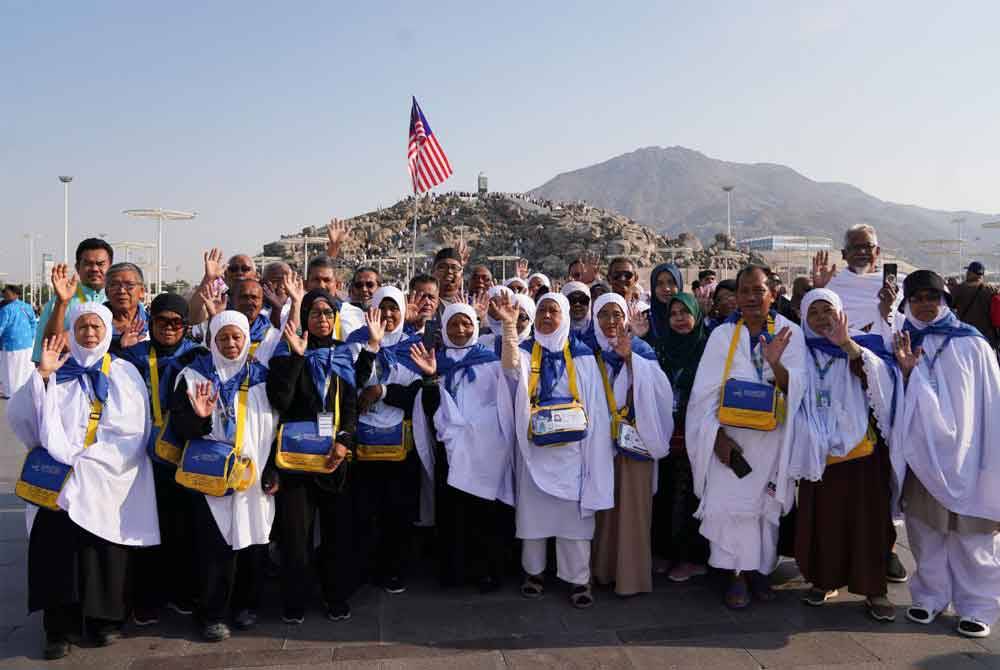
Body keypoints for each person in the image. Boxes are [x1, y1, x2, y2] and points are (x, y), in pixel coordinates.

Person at [9, 303, 158, 660]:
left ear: (107, 331)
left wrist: (91, 461)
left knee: (103, 550)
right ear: (72, 331)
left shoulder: (123, 373)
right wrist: (43, 379)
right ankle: (58, 627)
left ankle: (104, 620)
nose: (89, 334)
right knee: (56, 553)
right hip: (60, 478)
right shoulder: (56, 370)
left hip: (106, 474)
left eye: (96, 327)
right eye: (82, 327)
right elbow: (21, 418)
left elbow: (134, 428)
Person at [685, 265, 806, 609]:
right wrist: (715, 437)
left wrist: (776, 363)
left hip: (772, 441)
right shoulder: (723, 336)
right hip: (729, 440)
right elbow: (703, 395)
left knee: (763, 509)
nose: (752, 297)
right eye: (745, 291)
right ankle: (735, 574)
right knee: (727, 507)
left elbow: (799, 391)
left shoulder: (789, 333)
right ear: (736, 297)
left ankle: (760, 571)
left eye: (759, 290)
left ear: (773, 293)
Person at [891, 270, 1000, 638]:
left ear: (945, 302)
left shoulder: (974, 344)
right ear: (906, 303)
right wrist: (906, 374)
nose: (924, 305)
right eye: (917, 298)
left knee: (973, 537)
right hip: (924, 458)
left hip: (970, 458)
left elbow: (992, 403)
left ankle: (978, 606)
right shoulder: (902, 340)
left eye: (932, 297)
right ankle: (930, 597)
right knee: (927, 532)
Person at [790, 289, 901, 622]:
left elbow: (880, 379)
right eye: (815, 313)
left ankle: (874, 589)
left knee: (868, 520)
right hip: (818, 452)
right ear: (804, 318)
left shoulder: (861, 345)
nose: (823, 318)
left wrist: (847, 346)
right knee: (823, 518)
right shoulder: (797, 351)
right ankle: (824, 579)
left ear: (841, 314)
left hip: (860, 451)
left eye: (829, 311)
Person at [265, 290, 372, 625]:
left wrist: (344, 441)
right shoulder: (286, 353)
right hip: (296, 461)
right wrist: (297, 358)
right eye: (315, 312)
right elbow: (280, 401)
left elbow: (352, 405)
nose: (322, 318)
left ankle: (334, 595)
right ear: (305, 316)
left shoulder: (342, 356)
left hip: (334, 458)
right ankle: (295, 600)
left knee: (337, 534)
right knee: (295, 535)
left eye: (328, 312)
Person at [170, 311, 277, 641]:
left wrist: (273, 467)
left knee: (252, 540)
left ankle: (247, 606)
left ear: (246, 339)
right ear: (212, 340)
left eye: (236, 337)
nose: (230, 344)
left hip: (253, 475)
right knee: (214, 548)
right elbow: (179, 429)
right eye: (223, 338)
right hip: (210, 477)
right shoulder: (192, 376)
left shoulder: (261, 375)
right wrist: (200, 419)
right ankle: (211, 614)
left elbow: (276, 425)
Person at [509, 293, 613, 609]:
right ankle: (534, 573)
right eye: (542, 310)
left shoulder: (582, 357)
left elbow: (595, 405)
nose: (547, 317)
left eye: (554, 311)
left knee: (573, 521)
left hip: (573, 453)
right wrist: (507, 327)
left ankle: (578, 578)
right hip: (535, 450)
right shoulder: (526, 353)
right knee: (534, 518)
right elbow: (510, 369)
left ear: (565, 316)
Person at [410, 302, 516, 592]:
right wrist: (431, 378)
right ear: (444, 328)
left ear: (475, 326)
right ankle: (453, 572)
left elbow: (506, 402)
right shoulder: (435, 361)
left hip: (486, 452)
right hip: (451, 451)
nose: (460, 330)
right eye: (454, 324)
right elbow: (429, 412)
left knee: (485, 513)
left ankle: (487, 571)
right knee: (452, 513)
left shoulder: (490, 362)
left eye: (466, 324)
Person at [118, 293, 206, 626]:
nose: (169, 328)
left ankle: (183, 592)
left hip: (184, 455)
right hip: (143, 458)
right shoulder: (134, 355)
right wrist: (117, 347)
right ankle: (147, 598)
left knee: (184, 529)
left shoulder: (197, 356)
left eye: (176, 323)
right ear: (151, 322)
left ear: (185, 326)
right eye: (161, 321)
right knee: (146, 529)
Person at [590, 293, 674, 596]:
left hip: (634, 446)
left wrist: (631, 359)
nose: (611, 322)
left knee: (633, 511)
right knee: (603, 511)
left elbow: (661, 396)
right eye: (604, 315)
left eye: (616, 314)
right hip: (600, 446)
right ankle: (602, 571)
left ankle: (631, 579)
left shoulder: (642, 350)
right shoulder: (588, 351)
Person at [352, 287, 424, 594]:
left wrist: (382, 391)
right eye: (384, 308)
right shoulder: (357, 343)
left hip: (401, 444)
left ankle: (394, 570)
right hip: (363, 442)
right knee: (364, 511)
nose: (389, 315)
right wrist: (372, 345)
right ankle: (366, 568)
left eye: (395, 308)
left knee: (398, 511)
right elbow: (351, 383)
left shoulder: (414, 347)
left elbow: (419, 397)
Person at [636, 292, 710, 582]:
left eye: (685, 312)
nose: (680, 318)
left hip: (698, 432)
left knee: (691, 496)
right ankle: (666, 552)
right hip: (666, 432)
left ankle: (691, 558)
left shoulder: (708, 348)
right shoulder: (661, 347)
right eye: (674, 313)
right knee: (666, 493)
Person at [33, 238, 114, 362]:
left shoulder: (118, 300)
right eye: (88, 263)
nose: (94, 269)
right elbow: (43, 353)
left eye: (100, 264)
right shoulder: (59, 301)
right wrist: (62, 302)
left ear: (110, 266)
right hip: (66, 376)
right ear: (77, 267)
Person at [817, 226, 901, 339]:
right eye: (855, 247)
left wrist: (889, 309)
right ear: (844, 254)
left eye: (868, 247)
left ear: (877, 251)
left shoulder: (900, 283)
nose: (862, 252)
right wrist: (817, 289)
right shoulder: (830, 284)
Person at [951, 261, 999, 350]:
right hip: (987, 338)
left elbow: (949, 308)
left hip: (966, 335)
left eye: (968, 271)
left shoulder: (958, 289)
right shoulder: (991, 290)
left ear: (971, 273)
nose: (966, 273)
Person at [0, 285, 37, 399]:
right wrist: (32, 338)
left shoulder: (6, 309)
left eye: (7, 293)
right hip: (27, 344)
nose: (4, 295)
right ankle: (26, 391)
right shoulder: (27, 307)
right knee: (25, 369)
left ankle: (11, 392)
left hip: (10, 345)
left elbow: (1, 327)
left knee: (11, 370)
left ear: (16, 294)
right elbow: (33, 323)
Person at [104, 263, 148, 351]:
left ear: (142, 291)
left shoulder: (153, 324)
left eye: (129, 285)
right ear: (106, 292)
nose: (122, 291)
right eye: (114, 285)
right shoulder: (91, 324)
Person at [433, 248, 465, 312]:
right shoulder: (425, 304)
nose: (449, 271)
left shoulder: (472, 305)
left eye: (454, 268)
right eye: (442, 267)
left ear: (461, 274)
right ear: (432, 272)